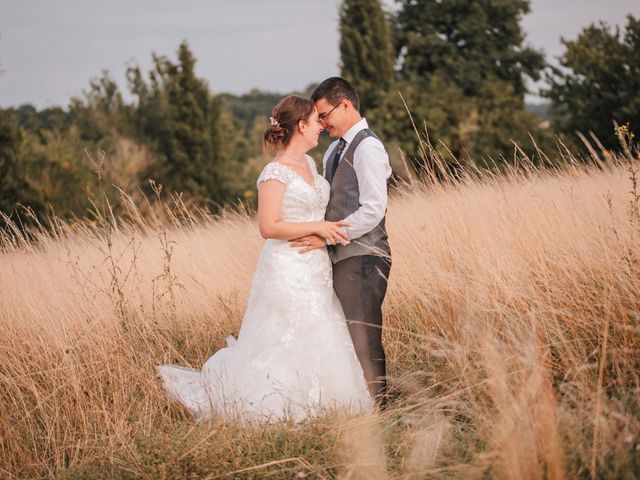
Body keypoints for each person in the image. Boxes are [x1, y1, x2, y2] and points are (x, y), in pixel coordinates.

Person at [156, 95, 373, 422]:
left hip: (316, 266)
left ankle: (322, 401)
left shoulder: (311, 165)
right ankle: (276, 402)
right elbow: (268, 226)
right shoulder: (274, 172)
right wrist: (320, 227)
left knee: (320, 326)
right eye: (316, 121)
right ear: (301, 125)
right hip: (285, 266)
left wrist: (328, 234)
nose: (321, 127)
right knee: (283, 333)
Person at [290, 77, 392, 408]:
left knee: (364, 332)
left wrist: (330, 233)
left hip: (365, 255)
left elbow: (374, 209)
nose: (321, 123)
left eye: (324, 115)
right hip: (337, 257)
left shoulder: (368, 147)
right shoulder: (334, 148)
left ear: (345, 105)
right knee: (345, 334)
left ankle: (379, 408)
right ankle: (355, 403)